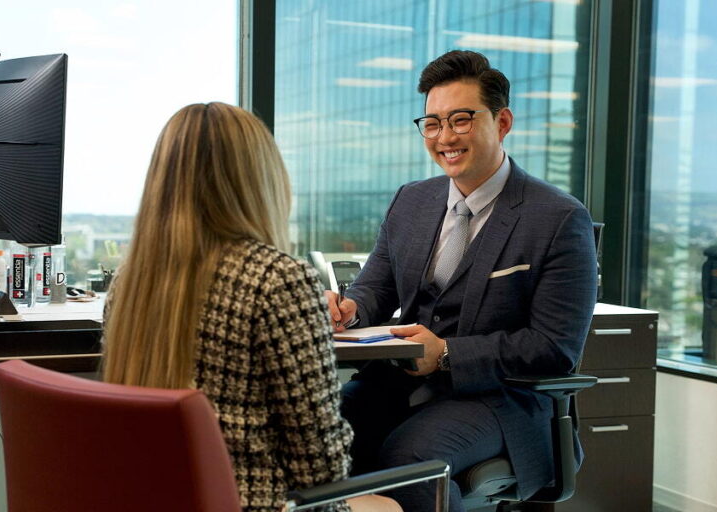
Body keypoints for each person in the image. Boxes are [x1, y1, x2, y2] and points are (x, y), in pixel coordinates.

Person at [326, 51, 598, 511]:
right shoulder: (411, 201)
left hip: (501, 398)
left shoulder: (558, 217)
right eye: (432, 124)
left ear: (503, 121)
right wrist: (350, 309)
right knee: (316, 432)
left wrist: (448, 355)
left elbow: (554, 347)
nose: (445, 137)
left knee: (412, 459)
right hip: (398, 384)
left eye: (461, 120)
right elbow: (376, 287)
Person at [101, 103, 398, 512]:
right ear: (260, 180)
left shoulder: (130, 282)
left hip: (158, 498)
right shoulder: (280, 279)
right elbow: (319, 467)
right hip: (261, 504)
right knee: (391, 505)